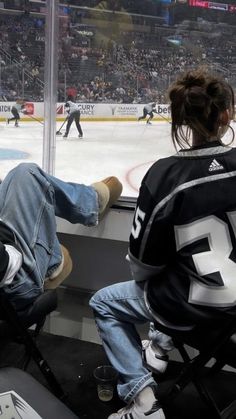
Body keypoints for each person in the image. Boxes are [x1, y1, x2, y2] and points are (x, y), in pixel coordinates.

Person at [89, 67, 236, 419]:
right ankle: (160, 342)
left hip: (191, 305)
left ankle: (144, 401)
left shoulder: (165, 174)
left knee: (104, 303)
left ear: (179, 119)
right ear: (226, 115)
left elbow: (142, 265)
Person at [0, 162, 122, 312]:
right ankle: (51, 262)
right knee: (27, 174)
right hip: (14, 283)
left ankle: (90, 203)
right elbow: (8, 263)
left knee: (17, 178)